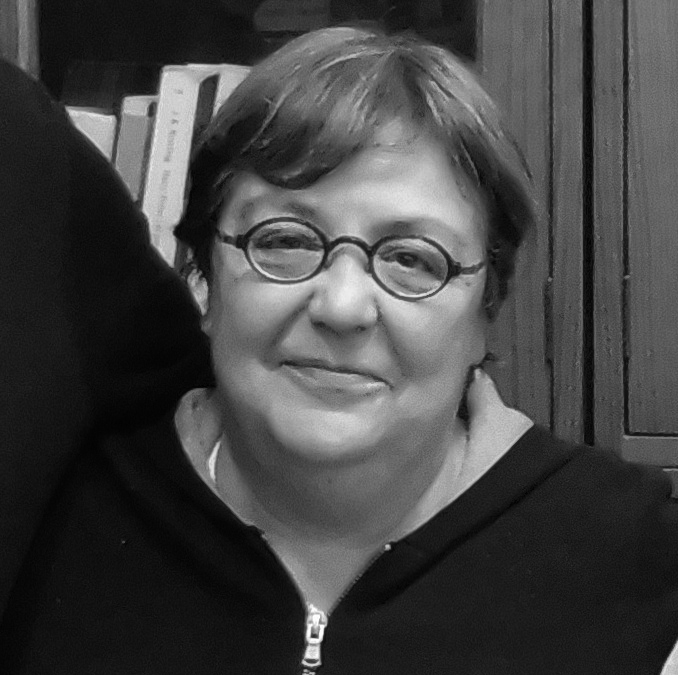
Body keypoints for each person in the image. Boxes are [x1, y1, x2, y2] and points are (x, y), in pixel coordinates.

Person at [2, 27, 678, 674]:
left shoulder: (640, 562)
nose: (343, 307)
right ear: (202, 279)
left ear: (484, 313)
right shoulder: (51, 531)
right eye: (285, 241)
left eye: (412, 258)